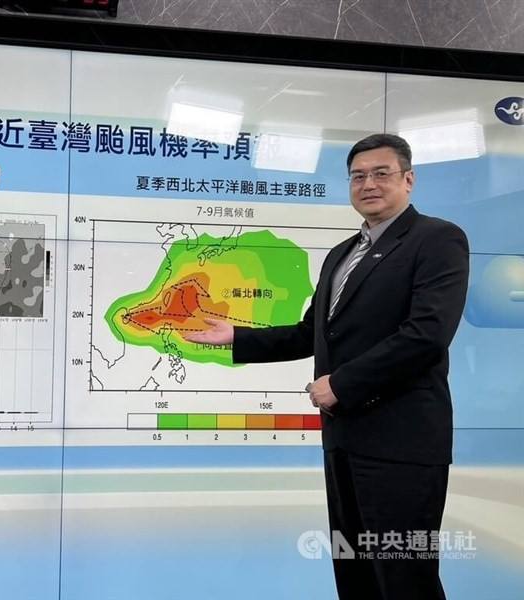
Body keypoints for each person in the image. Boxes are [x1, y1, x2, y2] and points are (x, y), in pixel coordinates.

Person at [184, 133, 469, 600]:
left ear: (408, 179)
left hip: (402, 442)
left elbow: (427, 334)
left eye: (382, 173)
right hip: (343, 438)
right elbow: (310, 332)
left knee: (402, 577)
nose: (368, 184)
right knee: (355, 575)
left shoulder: (437, 239)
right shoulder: (342, 253)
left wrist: (342, 383)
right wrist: (237, 335)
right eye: (358, 176)